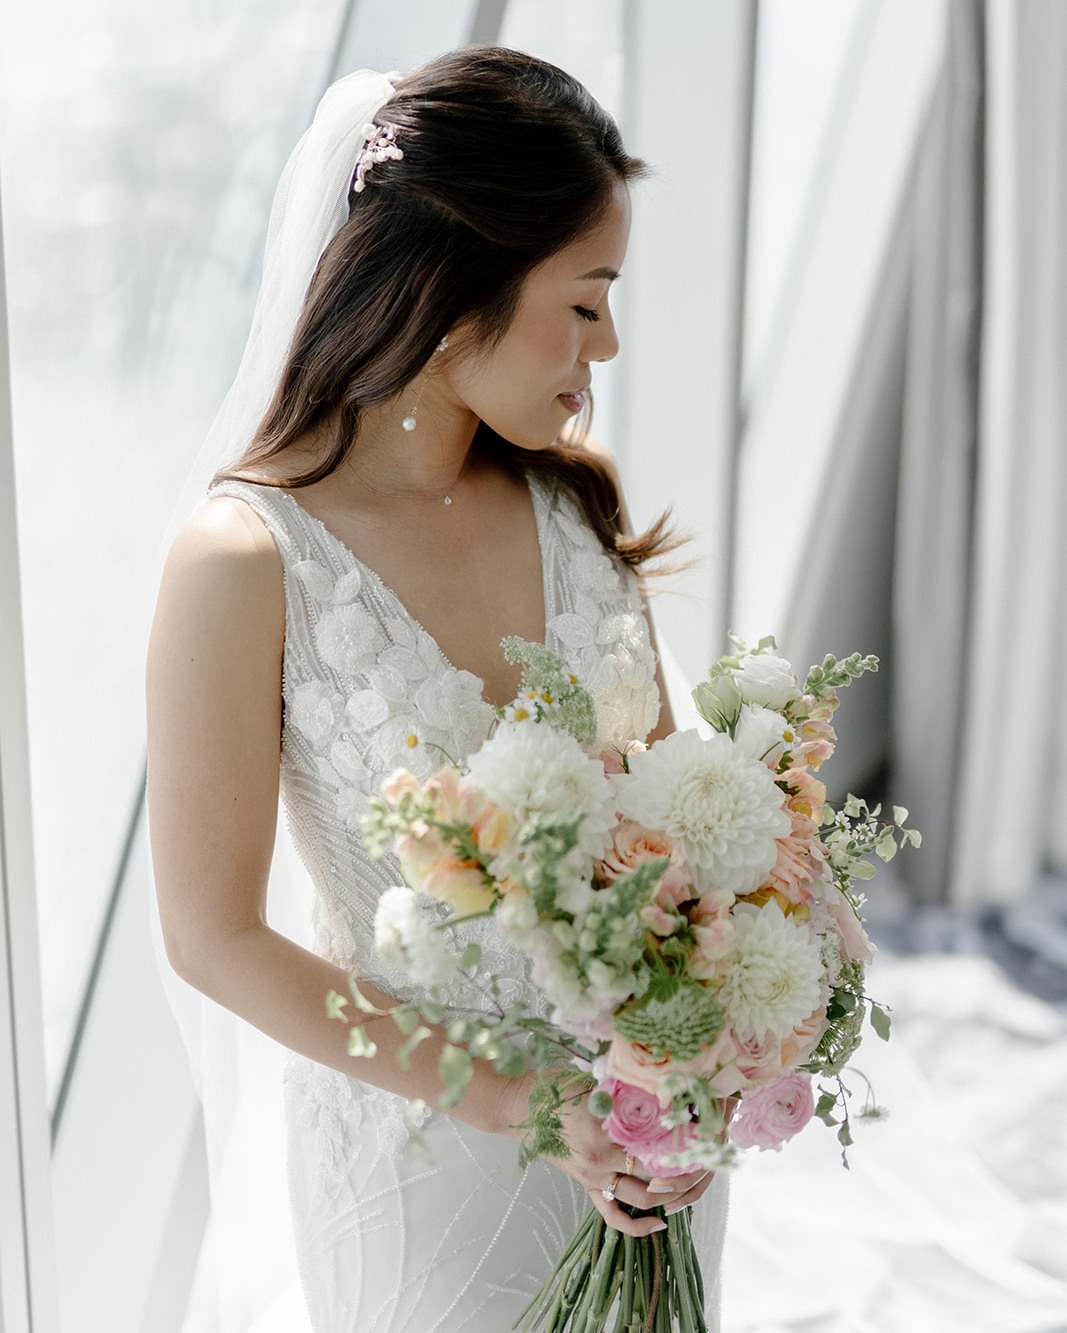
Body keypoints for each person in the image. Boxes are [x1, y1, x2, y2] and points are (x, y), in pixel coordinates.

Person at [147, 47, 728, 1332]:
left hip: (641, 1141)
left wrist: (713, 1028)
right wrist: (516, 1097)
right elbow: (212, 936)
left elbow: (669, 823)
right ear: (457, 284)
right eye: (584, 301)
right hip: (422, 1168)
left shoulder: (570, 502)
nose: (606, 344)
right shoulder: (246, 562)